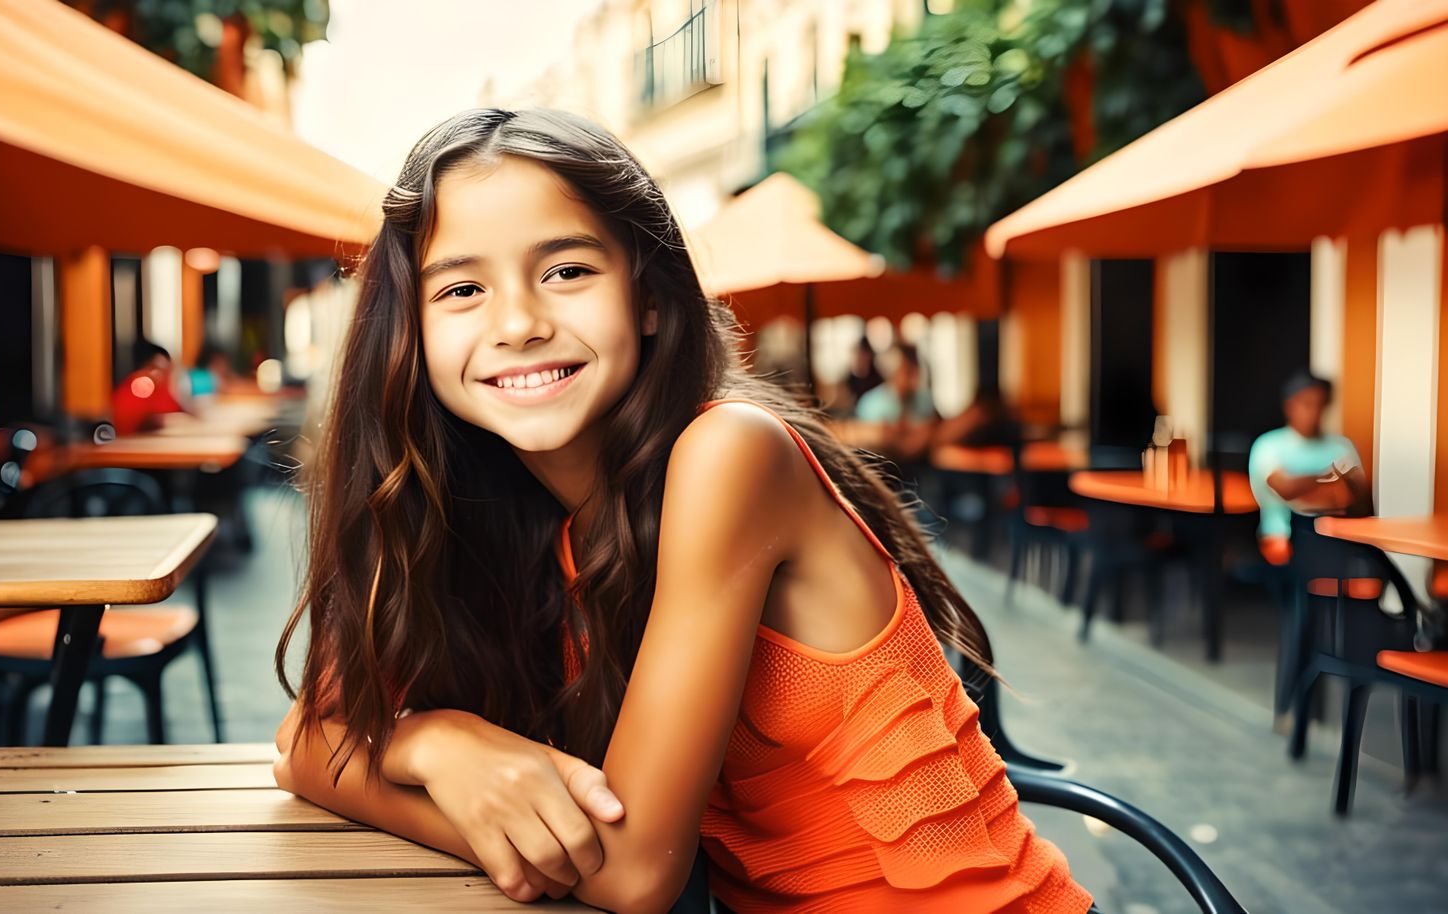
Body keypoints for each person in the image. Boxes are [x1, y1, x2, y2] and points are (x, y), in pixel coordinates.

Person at [272, 109, 1093, 914]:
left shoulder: (730, 454)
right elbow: (303, 747)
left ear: (651, 299)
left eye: (567, 271)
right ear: (410, 337)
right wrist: (438, 743)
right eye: (462, 288)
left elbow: (633, 874)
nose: (519, 323)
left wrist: (433, 758)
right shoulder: (514, 525)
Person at [1248, 371, 1371, 565]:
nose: (1314, 412)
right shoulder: (1268, 445)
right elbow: (1286, 490)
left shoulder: (1341, 446)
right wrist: (1331, 480)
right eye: (1307, 404)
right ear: (1290, 406)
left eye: (1320, 405)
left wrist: (1311, 487)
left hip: (1338, 536)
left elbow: (1359, 499)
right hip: (1283, 536)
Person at [110, 340, 187, 437]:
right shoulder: (136, 386)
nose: (160, 375)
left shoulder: (160, 388)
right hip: (130, 444)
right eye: (155, 368)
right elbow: (140, 423)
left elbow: (179, 410)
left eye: (166, 369)